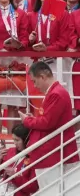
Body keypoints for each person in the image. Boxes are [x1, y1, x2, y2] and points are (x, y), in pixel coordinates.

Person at [21, 61, 79, 189]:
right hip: (53, 153)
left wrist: (27, 121)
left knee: (50, 195)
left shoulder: (56, 94)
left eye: (34, 81)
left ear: (42, 76)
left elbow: (47, 122)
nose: (35, 86)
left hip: (52, 155)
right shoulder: (55, 92)